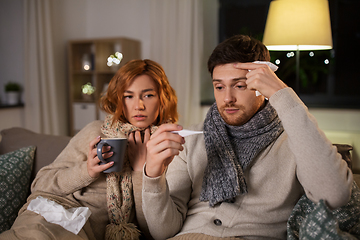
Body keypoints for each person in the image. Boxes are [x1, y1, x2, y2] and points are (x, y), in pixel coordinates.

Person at [140, 35, 353, 240]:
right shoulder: (191, 140)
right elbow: (163, 232)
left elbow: (334, 196)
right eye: (219, 86)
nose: (227, 98)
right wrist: (153, 175)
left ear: (261, 84)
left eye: (239, 85)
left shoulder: (295, 140)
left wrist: (282, 93)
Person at [0, 59, 178, 240]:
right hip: (45, 214)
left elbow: (150, 228)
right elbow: (40, 184)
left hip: (78, 231)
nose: (138, 105)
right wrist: (88, 170)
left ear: (162, 99)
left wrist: (141, 170)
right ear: (119, 98)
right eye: (128, 96)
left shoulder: (166, 147)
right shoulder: (97, 130)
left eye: (148, 95)